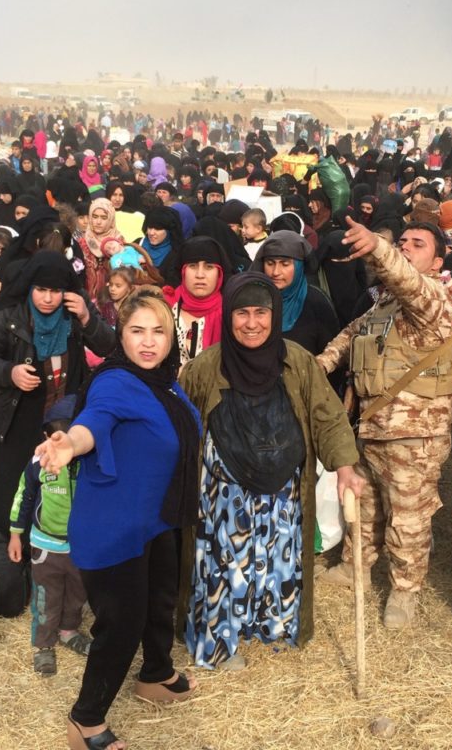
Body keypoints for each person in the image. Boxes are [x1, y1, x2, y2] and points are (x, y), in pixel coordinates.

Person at [35, 288, 201, 750]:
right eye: (136, 332)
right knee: (122, 623)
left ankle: (155, 675)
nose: (148, 343)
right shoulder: (115, 382)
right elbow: (95, 420)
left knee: (160, 600)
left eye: (158, 332)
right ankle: (85, 720)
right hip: (115, 525)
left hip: (156, 518)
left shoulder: (164, 381)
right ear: (120, 336)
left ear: (171, 338)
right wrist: (69, 443)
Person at [179, 273, 362, 669]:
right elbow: (180, 424)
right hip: (225, 495)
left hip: (282, 492)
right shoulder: (205, 368)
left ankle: (268, 621)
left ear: (274, 315)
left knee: (275, 556)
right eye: (241, 313)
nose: (251, 323)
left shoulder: (297, 362)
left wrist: (345, 465)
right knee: (223, 561)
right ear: (228, 316)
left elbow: (327, 416)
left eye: (261, 312)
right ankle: (219, 638)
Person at [318, 219, 452, 628]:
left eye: (418, 244)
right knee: (363, 505)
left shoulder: (432, 301)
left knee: (407, 518)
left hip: (414, 437)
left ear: (436, 261)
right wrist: (318, 366)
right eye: (403, 242)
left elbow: (407, 281)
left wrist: (380, 249)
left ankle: (404, 590)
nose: (407, 249)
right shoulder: (384, 306)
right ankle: (355, 567)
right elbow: (349, 336)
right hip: (372, 429)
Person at [0, 251, 115, 537]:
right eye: (41, 290)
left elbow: (109, 348)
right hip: (19, 418)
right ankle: (12, 551)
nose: (48, 299)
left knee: (64, 490)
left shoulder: (75, 313)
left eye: (56, 291)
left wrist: (88, 318)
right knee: (14, 490)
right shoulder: (8, 316)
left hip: (66, 419)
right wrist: (10, 372)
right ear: (29, 287)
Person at [7, 396, 92, 677]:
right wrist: (16, 534)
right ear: (46, 437)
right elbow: (24, 496)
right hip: (45, 546)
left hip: (80, 547)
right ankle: (44, 645)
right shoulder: (37, 464)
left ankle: (68, 631)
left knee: (77, 593)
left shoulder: (88, 462)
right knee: (46, 596)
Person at [251, 230, 340, 359]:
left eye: (285, 264)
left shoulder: (316, 302)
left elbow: (332, 355)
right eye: (270, 263)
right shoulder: (253, 299)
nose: (275, 272)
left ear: (299, 266)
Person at [162, 236, 231, 367]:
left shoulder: (231, 313)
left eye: (209, 267)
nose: (200, 274)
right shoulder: (163, 307)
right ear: (183, 271)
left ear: (219, 274)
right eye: (192, 266)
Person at [140, 206, 184, 286]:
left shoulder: (177, 255)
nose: (151, 233)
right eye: (149, 227)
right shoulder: (138, 244)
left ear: (169, 231)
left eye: (157, 229)